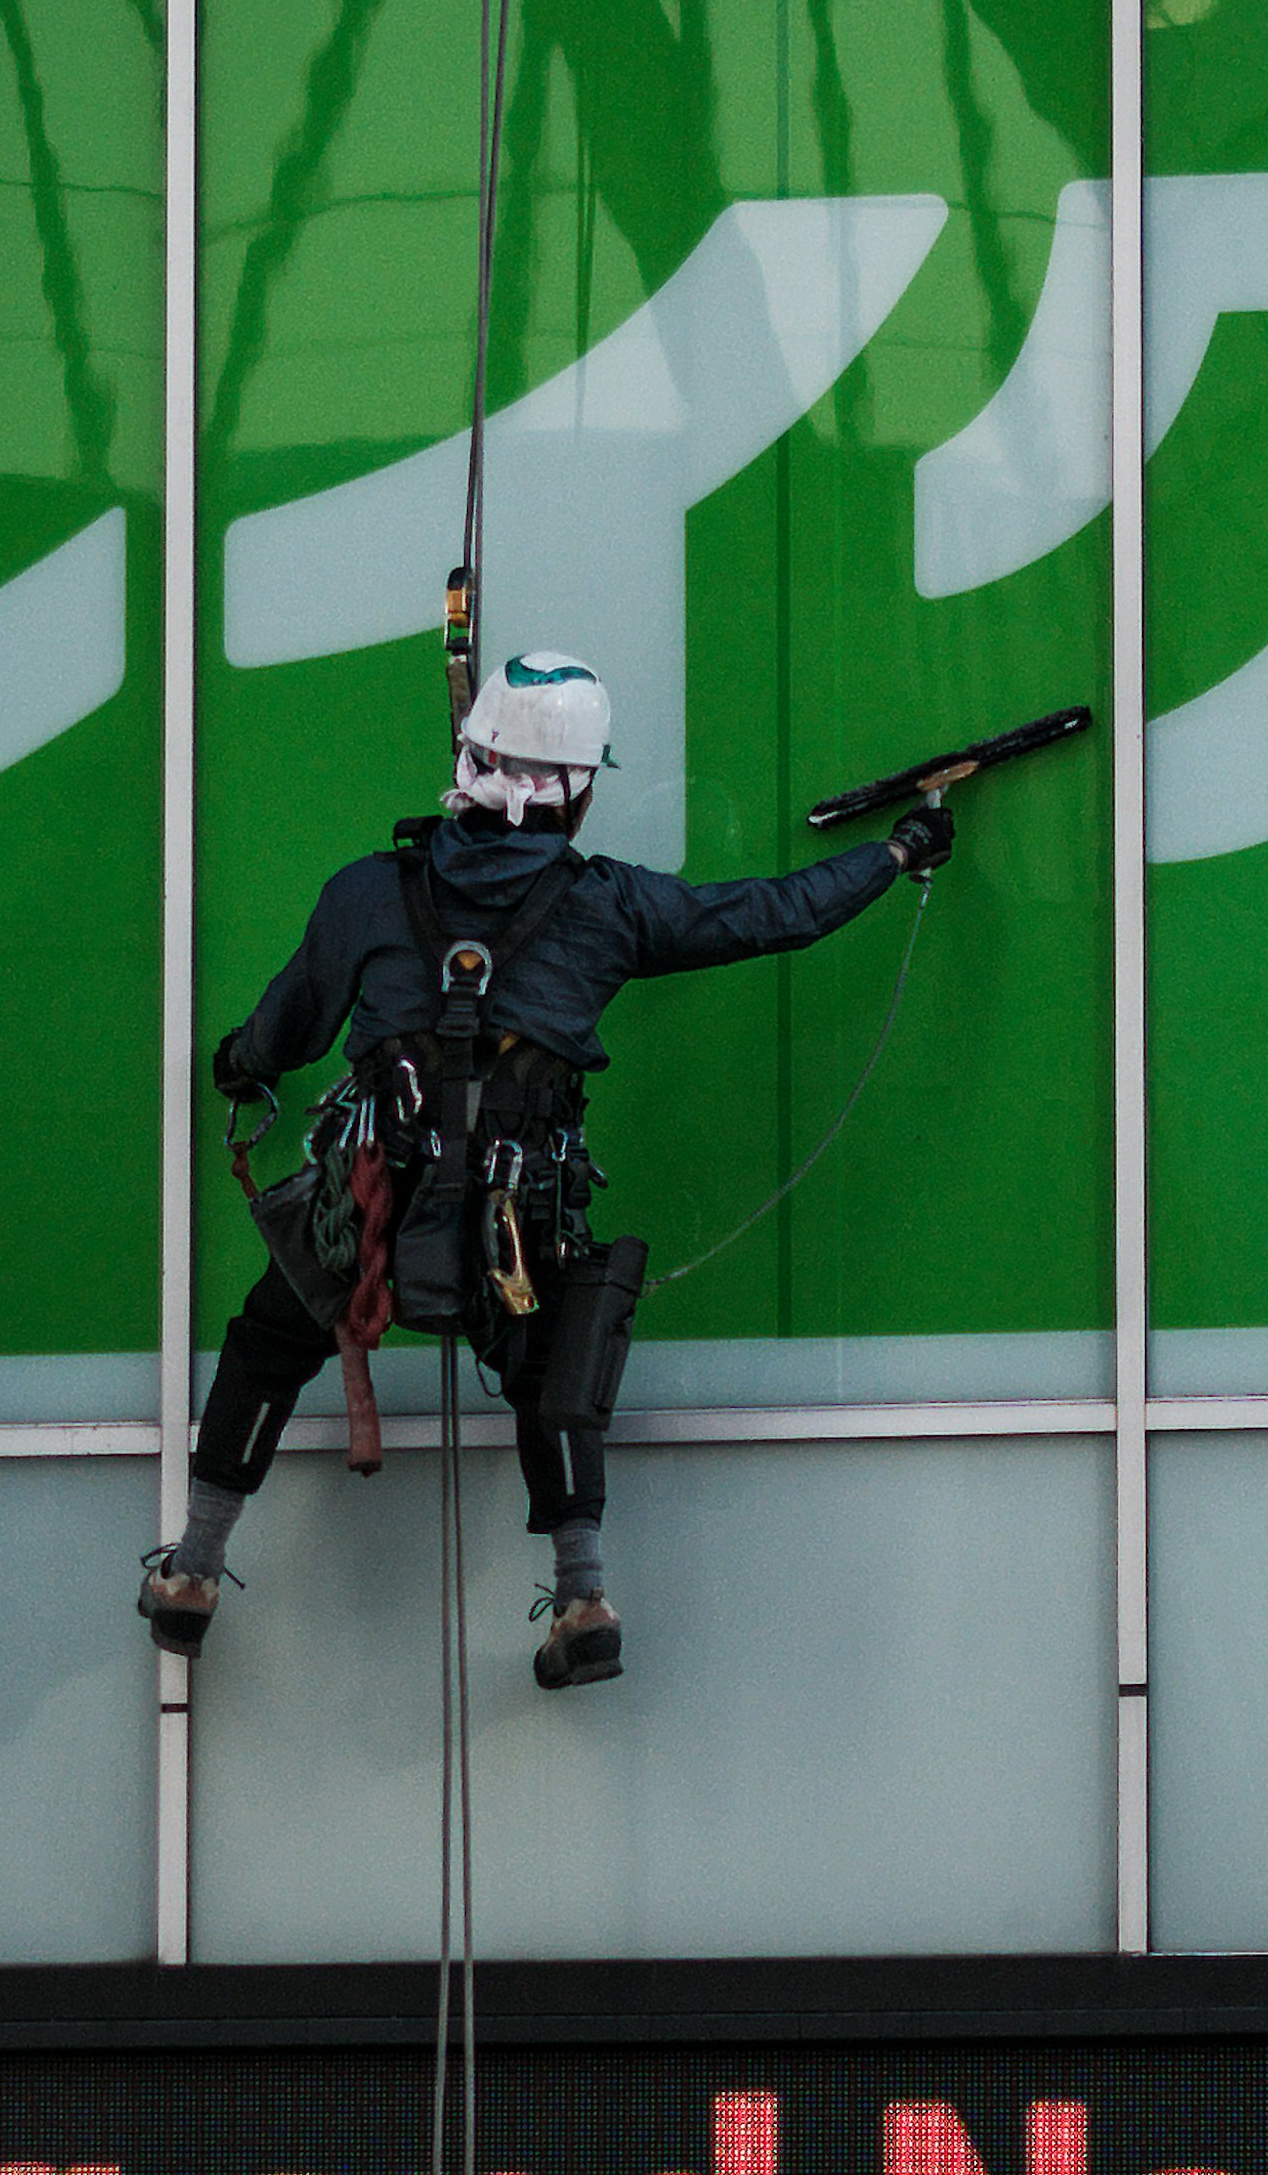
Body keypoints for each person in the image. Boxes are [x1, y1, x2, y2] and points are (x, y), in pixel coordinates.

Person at [144, 650, 952, 1692]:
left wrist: (237, 1066)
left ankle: (196, 1571)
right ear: (572, 793)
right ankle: (582, 1593)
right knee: (553, 1371)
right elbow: (772, 913)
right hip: (514, 1235)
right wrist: (895, 851)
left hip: (369, 1220)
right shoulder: (607, 907)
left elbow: (286, 1028)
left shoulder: (365, 893)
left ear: (471, 760)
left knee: (267, 1339)